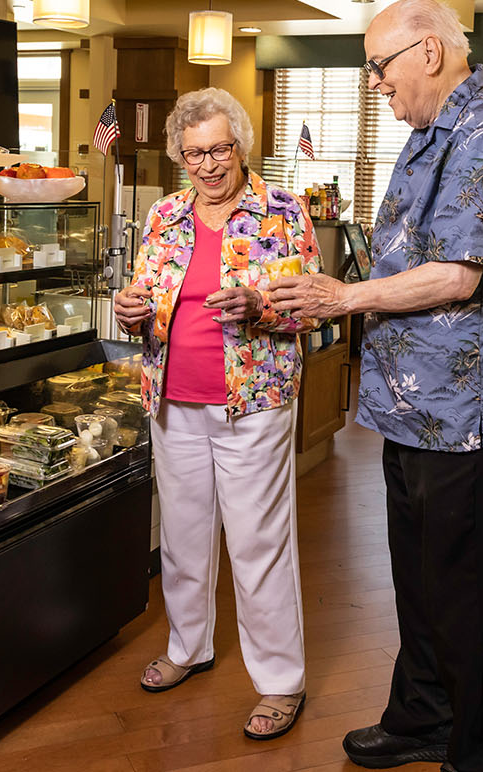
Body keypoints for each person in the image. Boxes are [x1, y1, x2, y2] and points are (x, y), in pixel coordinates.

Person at [268, 0, 483, 772]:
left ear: (428, 52)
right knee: (422, 579)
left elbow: (457, 273)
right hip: (413, 405)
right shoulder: (431, 130)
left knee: (464, 587)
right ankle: (425, 713)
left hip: (467, 414)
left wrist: (343, 297)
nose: (374, 85)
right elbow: (405, 253)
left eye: (378, 68)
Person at [111, 87, 322, 741]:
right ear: (179, 155)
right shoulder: (164, 215)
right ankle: (188, 646)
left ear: (241, 146)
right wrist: (131, 311)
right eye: (194, 152)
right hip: (173, 400)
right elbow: (147, 291)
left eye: (219, 149)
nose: (208, 164)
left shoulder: (282, 211)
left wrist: (260, 309)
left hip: (252, 404)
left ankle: (282, 681)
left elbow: (311, 306)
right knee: (182, 533)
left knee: (258, 543)